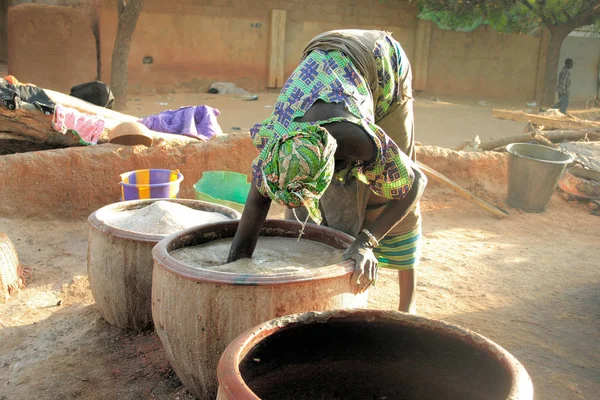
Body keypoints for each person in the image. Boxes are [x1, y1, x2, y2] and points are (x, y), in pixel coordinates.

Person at [227, 30, 427, 313]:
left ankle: (409, 302)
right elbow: (254, 209)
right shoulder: (277, 151)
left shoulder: (357, 141)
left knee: (388, 190)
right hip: (323, 53)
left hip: (382, 61)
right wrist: (233, 272)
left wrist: (365, 243)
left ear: (334, 165)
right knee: (302, 217)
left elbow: (417, 181)